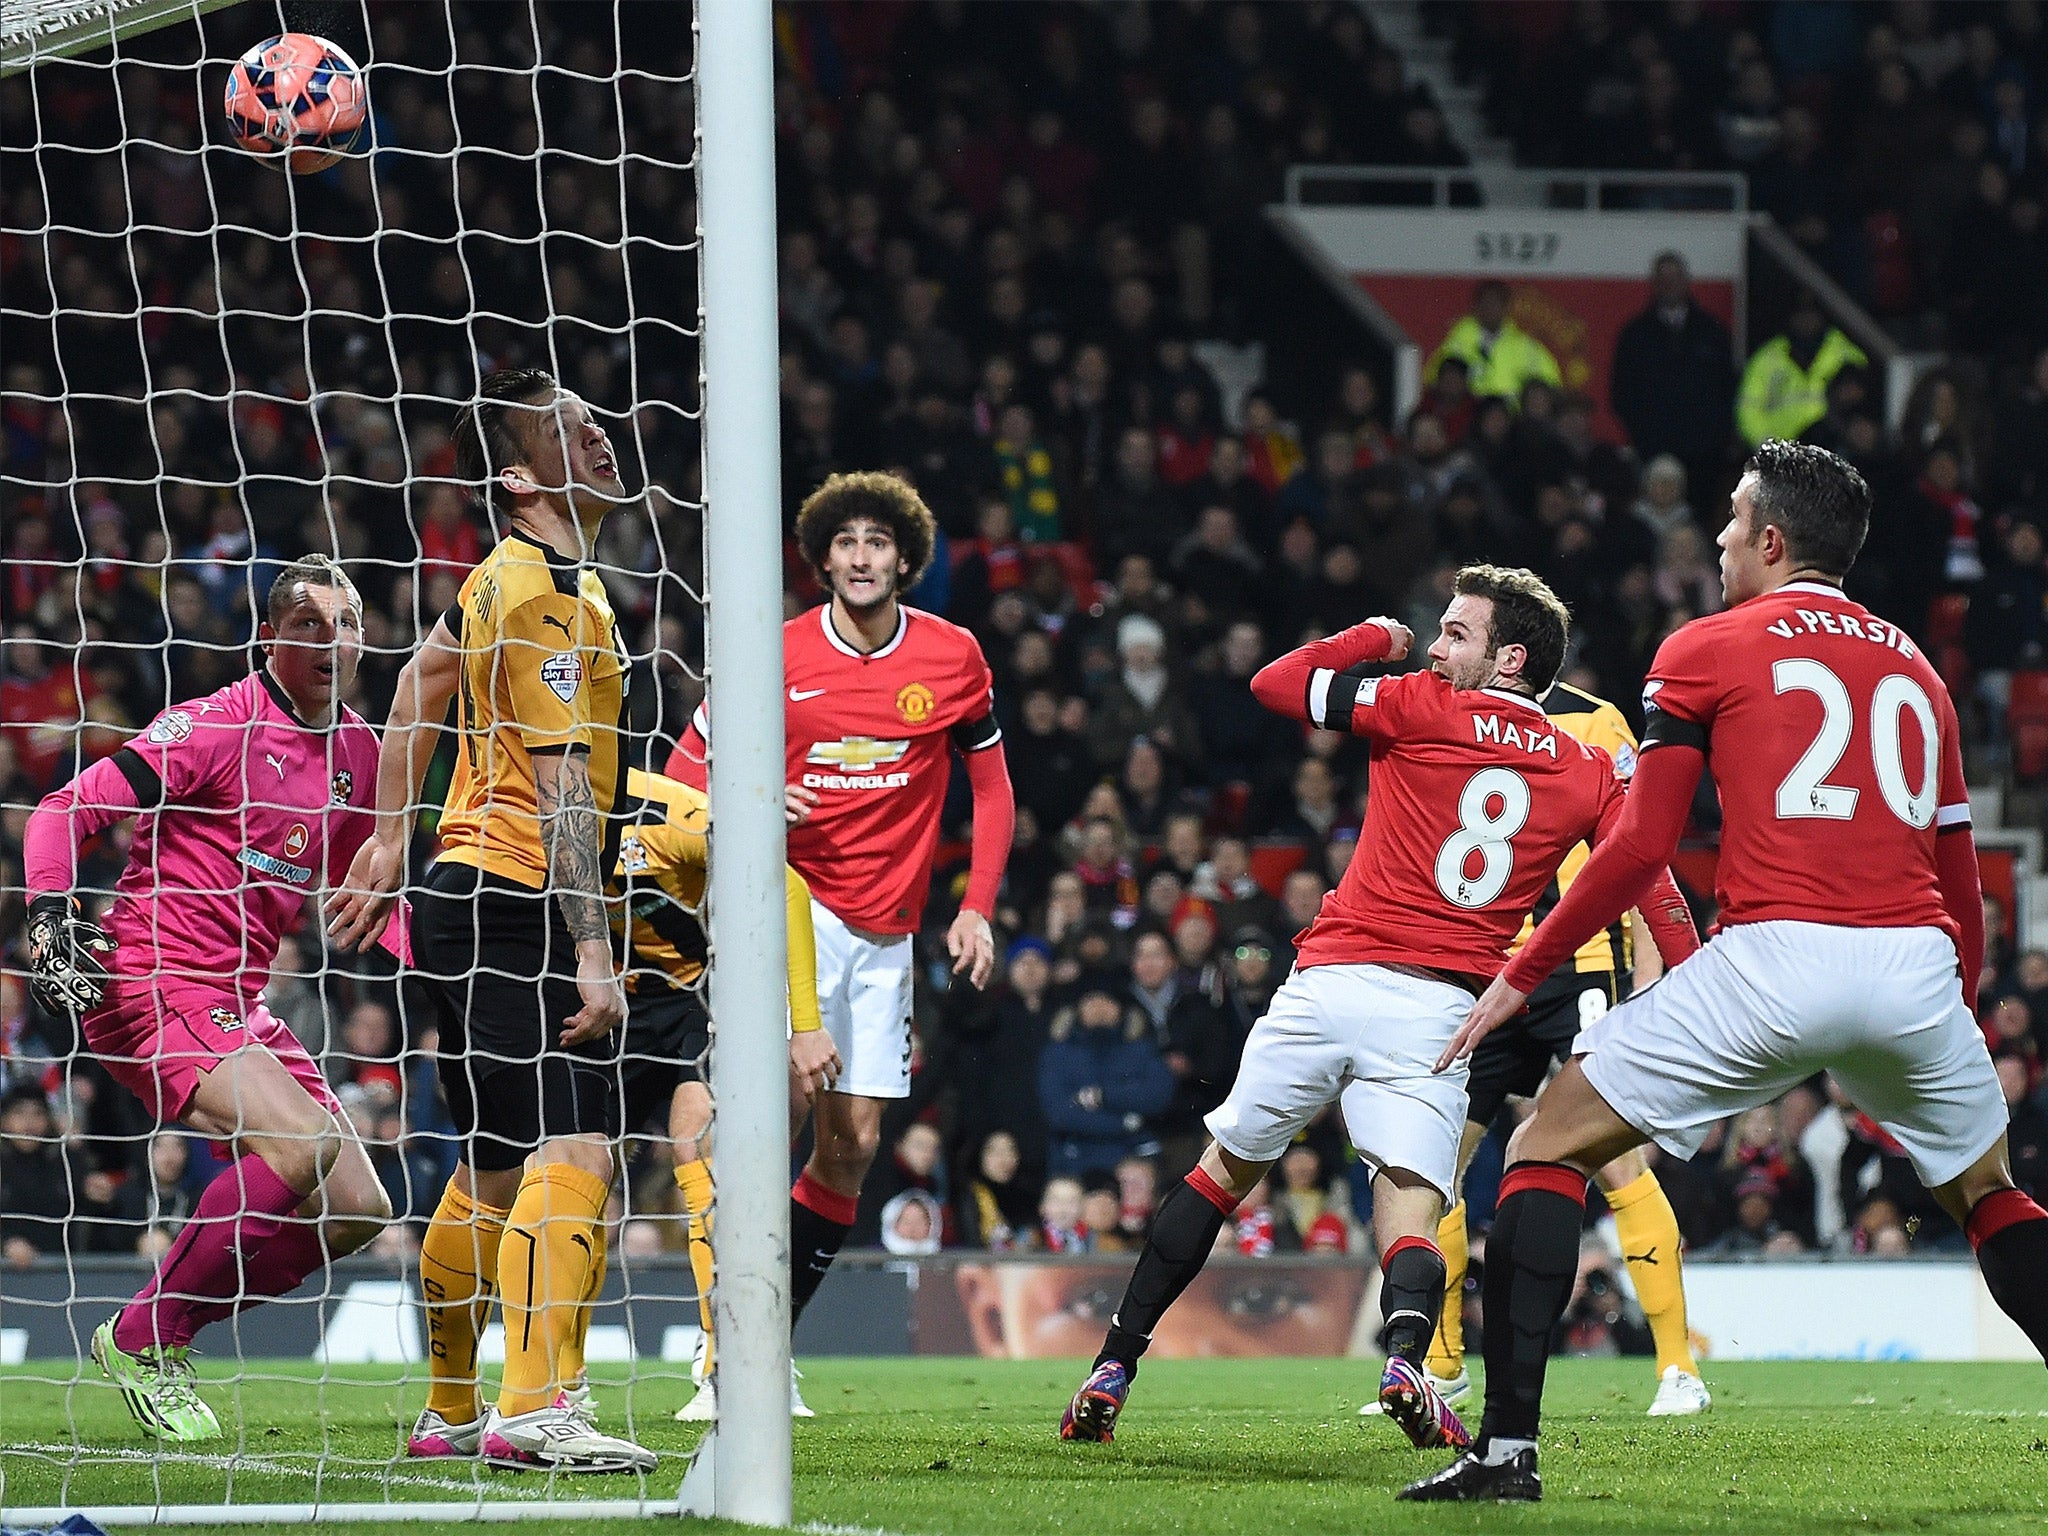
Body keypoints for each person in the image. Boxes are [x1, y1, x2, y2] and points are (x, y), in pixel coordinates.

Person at [1403, 440, 2048, 1504]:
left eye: (1730, 519)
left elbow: (1640, 847)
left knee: (1543, 1143)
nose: (1714, 539)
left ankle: (1505, 1454)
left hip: (1774, 955)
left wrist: (1523, 971)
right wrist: (1958, 1010)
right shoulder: (1916, 668)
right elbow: (1956, 875)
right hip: (1912, 966)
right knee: (1985, 1194)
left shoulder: (1702, 647)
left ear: (1771, 539)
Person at [1058, 566, 1698, 1452]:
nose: (1434, 646)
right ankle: (1405, 1357)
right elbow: (1652, 884)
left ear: (1510, 658)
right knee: (1409, 1199)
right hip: (1438, 1014)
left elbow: (1272, 683)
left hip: (1327, 985)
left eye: (1455, 634)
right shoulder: (1591, 770)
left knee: (1222, 1172)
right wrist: (1695, 988)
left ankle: (1114, 1365)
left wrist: (1371, 636)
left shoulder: (1416, 702)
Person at [327, 368, 651, 1473]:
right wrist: (595, 950)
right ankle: (536, 1409)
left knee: (492, 1164)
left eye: (596, 417)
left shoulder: (496, 582)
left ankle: (453, 1408)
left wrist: (387, 836)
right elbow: (566, 789)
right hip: (520, 904)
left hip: (455, 895)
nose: (598, 433)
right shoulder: (546, 591)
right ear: (517, 476)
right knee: (579, 1147)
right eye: (568, 427)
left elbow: (417, 687)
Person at [23, 555, 389, 1442]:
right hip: (152, 979)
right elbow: (61, 810)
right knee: (297, 1149)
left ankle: (163, 1328)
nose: (334, 641)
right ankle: (146, 1335)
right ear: (271, 635)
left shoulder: (359, 753)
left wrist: (438, 951)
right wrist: (46, 913)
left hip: (237, 999)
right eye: (312, 625)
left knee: (357, 1209)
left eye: (348, 623)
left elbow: (361, 889)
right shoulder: (212, 727)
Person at [667, 470, 1015, 1385]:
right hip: (784, 910)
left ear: (905, 558)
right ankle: (724, 1345)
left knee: (852, 1142)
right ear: (822, 560)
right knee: (769, 1119)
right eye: (845, 542)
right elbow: (681, 774)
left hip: (886, 932)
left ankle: (767, 1342)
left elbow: (991, 787)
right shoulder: (771, 655)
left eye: (877, 542)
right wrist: (745, 800)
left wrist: (975, 904)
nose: (861, 557)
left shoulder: (953, 658)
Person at [1371, 678, 1709, 1422]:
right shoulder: (1450, 717)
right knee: (1435, 1163)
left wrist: (1649, 973)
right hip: (1481, 967)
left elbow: (1639, 845)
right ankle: (1443, 1365)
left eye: (1466, 637)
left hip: (1578, 963)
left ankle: (1679, 1366)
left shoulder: (1597, 719)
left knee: (1614, 1157)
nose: (1449, 654)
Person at [1609, 252, 1735, 510]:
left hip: (1704, 454)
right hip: (1653, 450)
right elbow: (1621, 393)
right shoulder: (1634, 335)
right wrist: (1644, 436)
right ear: (1653, 282)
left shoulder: (1712, 331)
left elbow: (1728, 389)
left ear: (1687, 280)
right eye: (1663, 277)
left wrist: (1715, 437)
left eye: (1675, 277)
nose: (1670, 284)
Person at [1736, 293, 1868, 448]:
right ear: (1791, 316)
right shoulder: (1768, 358)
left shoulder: (1847, 355)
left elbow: (1864, 406)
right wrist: (1770, 447)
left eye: (1812, 314)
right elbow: (1748, 410)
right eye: (1801, 314)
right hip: (1783, 455)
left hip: (1834, 451)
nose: (1807, 321)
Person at [1426, 281, 1561, 405]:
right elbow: (1432, 380)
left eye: (1495, 303)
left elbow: (1552, 385)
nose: (1489, 308)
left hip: (1513, 422)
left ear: (1506, 307)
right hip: (1468, 421)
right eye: (1485, 303)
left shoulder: (1525, 346)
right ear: (1475, 306)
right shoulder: (1457, 342)